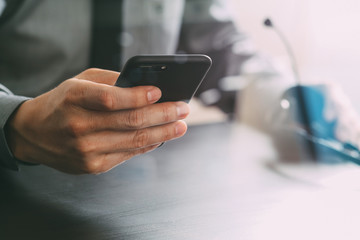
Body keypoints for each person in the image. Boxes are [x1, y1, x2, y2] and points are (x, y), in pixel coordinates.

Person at [0, 0, 252, 174]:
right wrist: (18, 125)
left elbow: (220, 45)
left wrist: (284, 96)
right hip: (15, 175)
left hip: (144, 180)